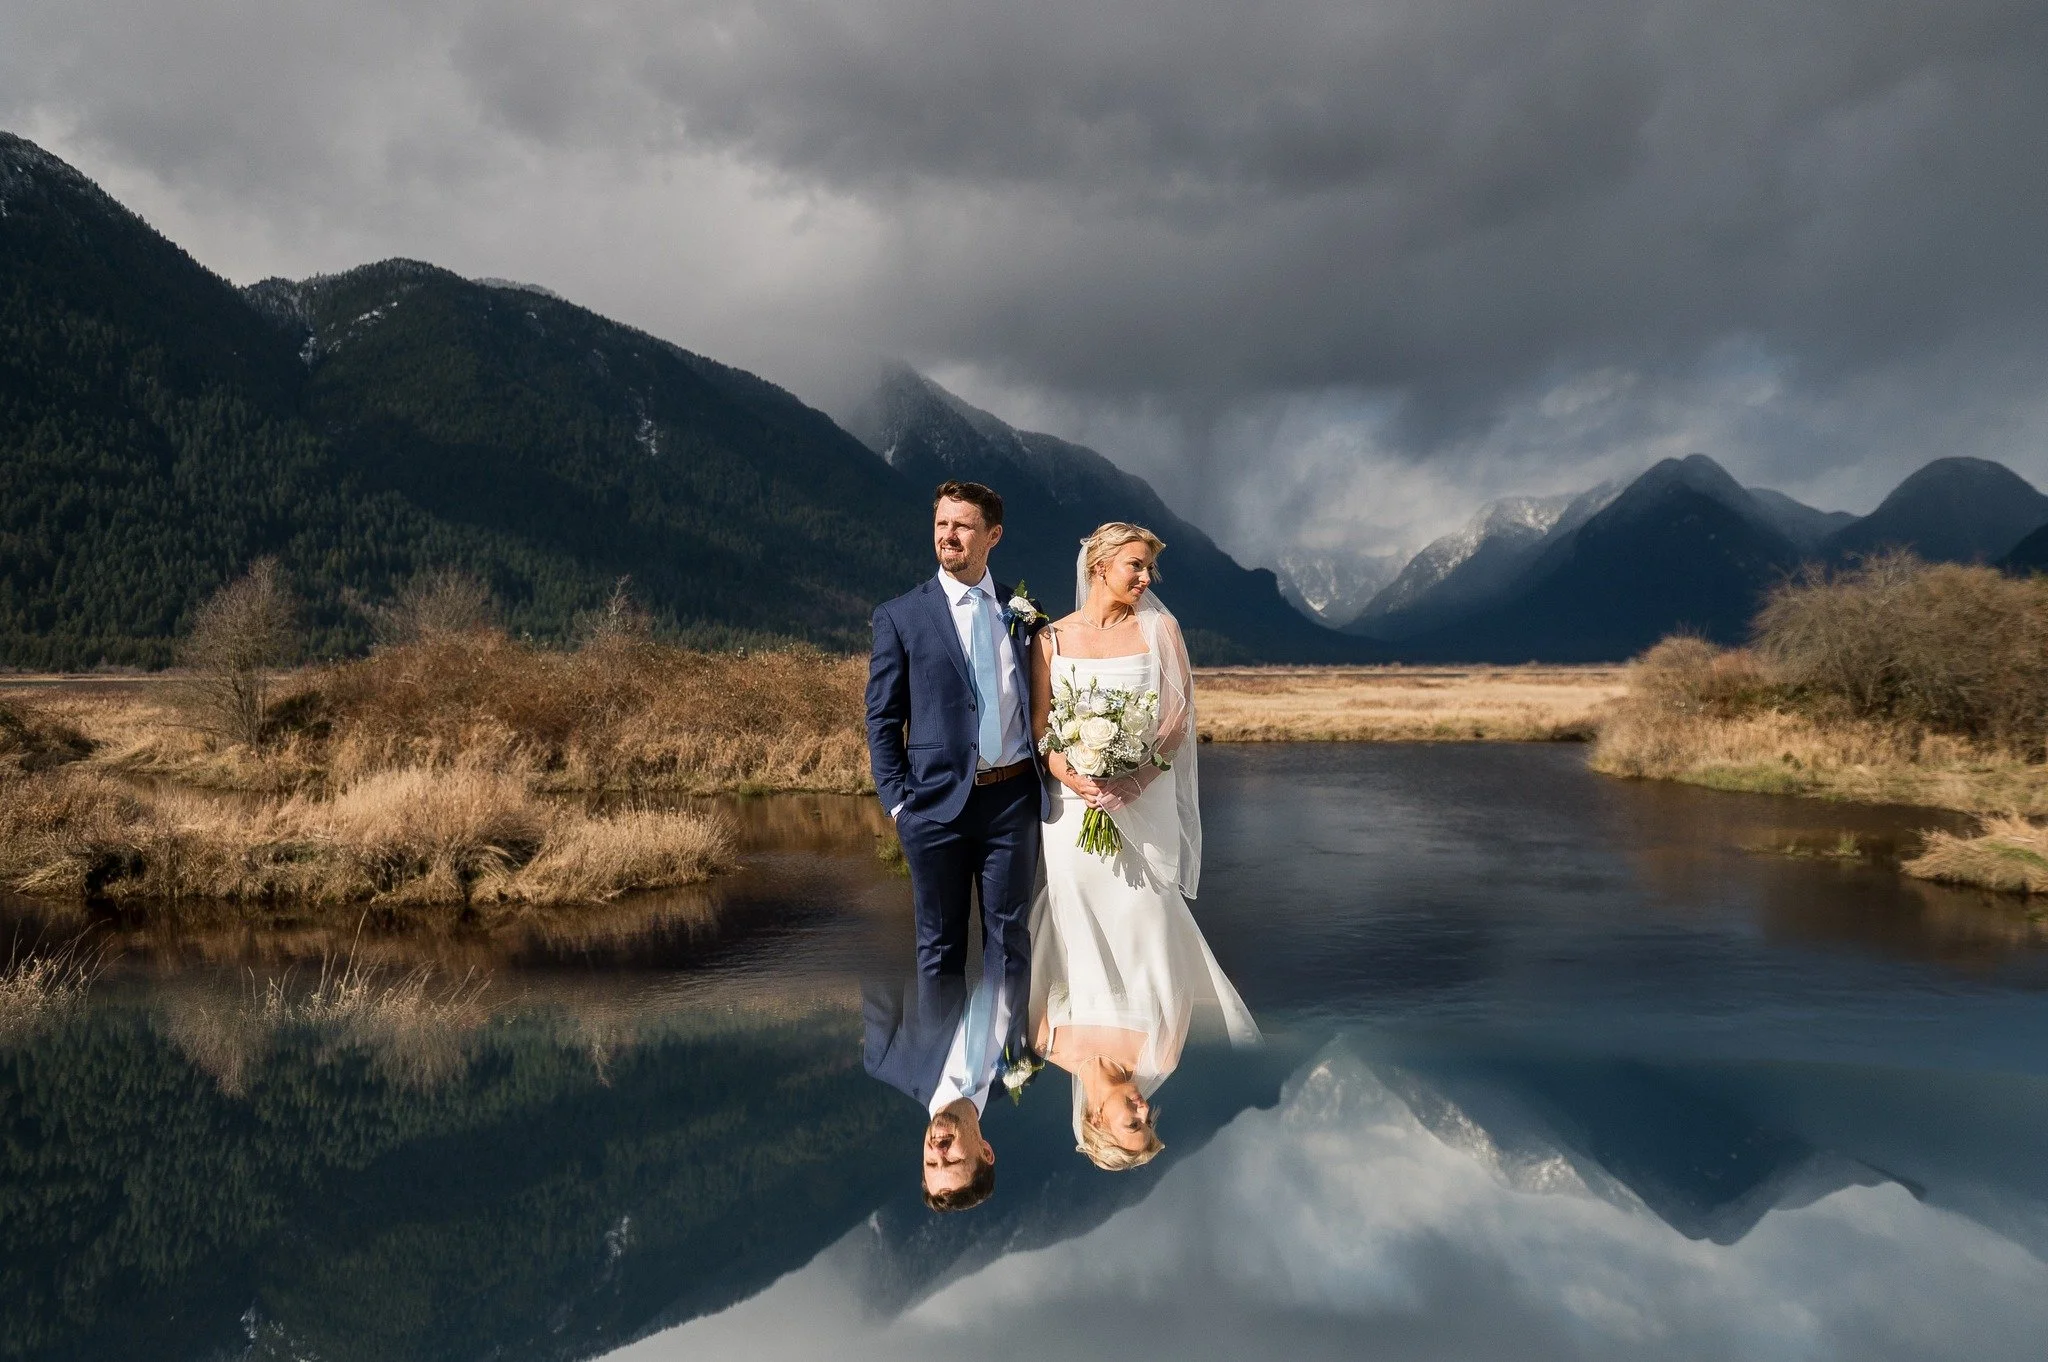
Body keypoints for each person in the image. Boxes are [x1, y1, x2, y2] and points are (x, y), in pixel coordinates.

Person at [1027, 522, 1259, 1172]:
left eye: (1133, 1123)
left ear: (1095, 1119)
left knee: (1147, 909)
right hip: (1072, 809)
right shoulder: (1050, 639)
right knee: (1080, 912)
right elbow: (1041, 730)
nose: (1146, 578)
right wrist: (1075, 774)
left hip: (1143, 796)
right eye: (1136, 565)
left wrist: (1133, 779)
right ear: (1099, 566)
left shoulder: (1160, 630)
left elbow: (1177, 719)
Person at [866, 481, 1051, 988]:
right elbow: (882, 717)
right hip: (932, 806)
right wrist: (898, 804)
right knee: (940, 949)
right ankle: (943, 1044)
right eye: (941, 523)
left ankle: (1005, 1043)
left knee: (1010, 945)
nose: (948, 535)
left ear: (993, 535)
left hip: (1012, 802)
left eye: (962, 526)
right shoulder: (900, 616)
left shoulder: (1025, 611)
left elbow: (1044, 702)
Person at [863, 962, 1025, 1212]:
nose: (939, 1152)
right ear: (986, 1152)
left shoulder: (886, 1060)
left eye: (931, 1163)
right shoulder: (1016, 1073)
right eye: (952, 1161)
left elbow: (877, 957)